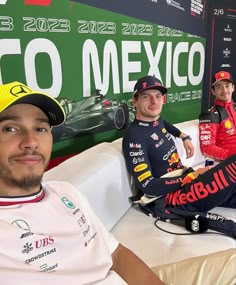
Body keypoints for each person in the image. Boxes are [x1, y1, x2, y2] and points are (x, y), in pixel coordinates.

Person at [0, 81, 164, 285]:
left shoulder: (66, 192)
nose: (31, 141)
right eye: (10, 128)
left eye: (40, 128)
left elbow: (115, 255)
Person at [122, 75, 236, 238]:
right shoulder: (135, 136)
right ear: (135, 102)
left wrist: (184, 137)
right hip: (170, 197)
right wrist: (189, 177)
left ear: (163, 100)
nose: (154, 101)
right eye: (146, 97)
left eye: (158, 96)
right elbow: (148, 186)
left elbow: (165, 125)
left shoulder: (156, 121)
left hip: (187, 180)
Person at [199, 70, 236, 161]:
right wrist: (231, 156)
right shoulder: (209, 115)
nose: (224, 90)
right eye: (219, 87)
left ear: (233, 88)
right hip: (229, 162)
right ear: (213, 91)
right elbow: (207, 148)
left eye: (227, 86)